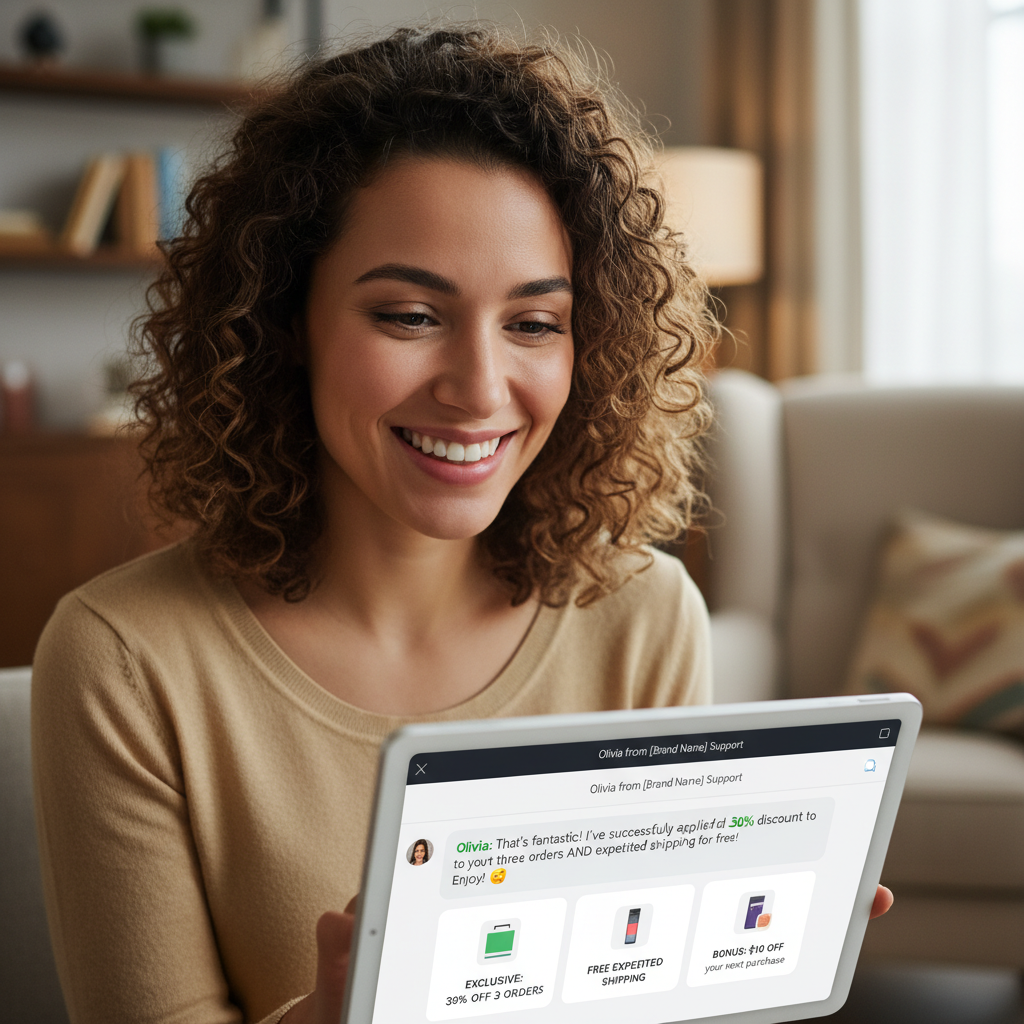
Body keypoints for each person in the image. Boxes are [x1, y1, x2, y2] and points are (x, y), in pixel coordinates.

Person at [30, 25, 890, 1024]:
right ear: (283, 323)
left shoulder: (645, 617)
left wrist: (745, 969)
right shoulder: (125, 660)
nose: (479, 389)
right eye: (409, 315)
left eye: (533, 323)